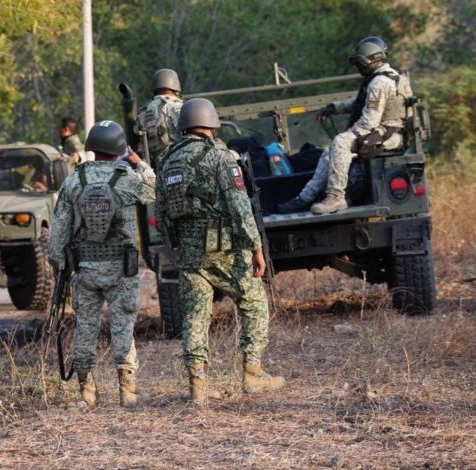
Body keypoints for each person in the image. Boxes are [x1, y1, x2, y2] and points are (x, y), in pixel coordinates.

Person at [155, 98, 285, 404]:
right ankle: (252, 374)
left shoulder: (166, 160)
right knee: (253, 301)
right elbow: (240, 208)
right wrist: (256, 247)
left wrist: (177, 246)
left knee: (195, 316)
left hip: (187, 253)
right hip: (224, 249)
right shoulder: (221, 157)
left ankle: (198, 388)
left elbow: (161, 213)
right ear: (212, 123)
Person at [48, 120, 155, 407]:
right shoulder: (127, 179)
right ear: (119, 148)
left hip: (85, 269)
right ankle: (128, 391)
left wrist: (59, 264)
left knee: (85, 327)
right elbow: (154, 189)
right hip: (122, 268)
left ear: (92, 147)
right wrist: (140, 163)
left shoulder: (74, 181)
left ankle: (86, 393)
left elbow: (58, 232)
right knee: (123, 325)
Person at [277, 36, 413, 214]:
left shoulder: (379, 82)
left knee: (340, 142)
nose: (359, 68)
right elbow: (361, 102)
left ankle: (335, 197)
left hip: (388, 135)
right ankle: (305, 198)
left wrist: (349, 137)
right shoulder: (392, 76)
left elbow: (369, 121)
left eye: (360, 64)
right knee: (331, 151)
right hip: (391, 133)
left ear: (369, 60)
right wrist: (334, 107)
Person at [135, 68, 184, 168]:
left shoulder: (143, 112)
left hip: (154, 168)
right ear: (176, 88)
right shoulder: (179, 108)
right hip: (180, 165)